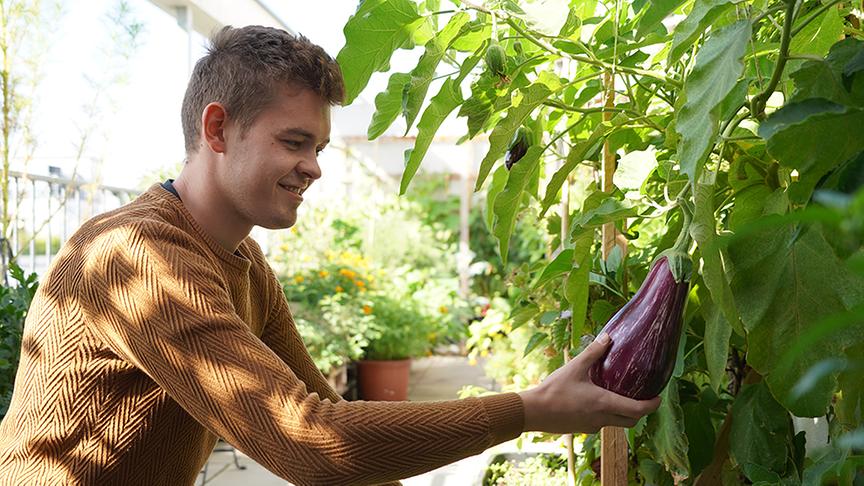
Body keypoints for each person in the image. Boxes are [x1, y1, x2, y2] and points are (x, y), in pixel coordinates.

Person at [0, 25, 660, 485]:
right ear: (217, 127)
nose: (313, 168)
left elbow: (323, 419)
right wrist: (527, 410)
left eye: (319, 148)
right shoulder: (135, 254)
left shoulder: (244, 263)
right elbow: (305, 442)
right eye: (295, 142)